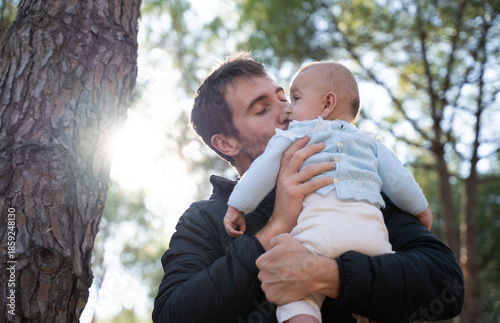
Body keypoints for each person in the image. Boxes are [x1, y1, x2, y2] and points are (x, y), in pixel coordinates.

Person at [152, 52, 464, 323]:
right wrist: (276, 225)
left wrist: (327, 275)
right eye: (262, 110)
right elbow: (172, 315)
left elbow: (447, 285)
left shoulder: (360, 184)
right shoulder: (204, 219)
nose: (286, 110)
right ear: (227, 142)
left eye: (284, 97)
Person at [223, 61, 432, 323]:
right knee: (387, 298)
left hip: (318, 238)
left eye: (294, 98)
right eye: (263, 109)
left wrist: (237, 206)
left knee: (296, 297)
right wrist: (420, 210)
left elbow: (261, 171)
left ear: (327, 104)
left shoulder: (295, 136)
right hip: (375, 240)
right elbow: (400, 179)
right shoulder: (370, 142)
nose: (288, 108)